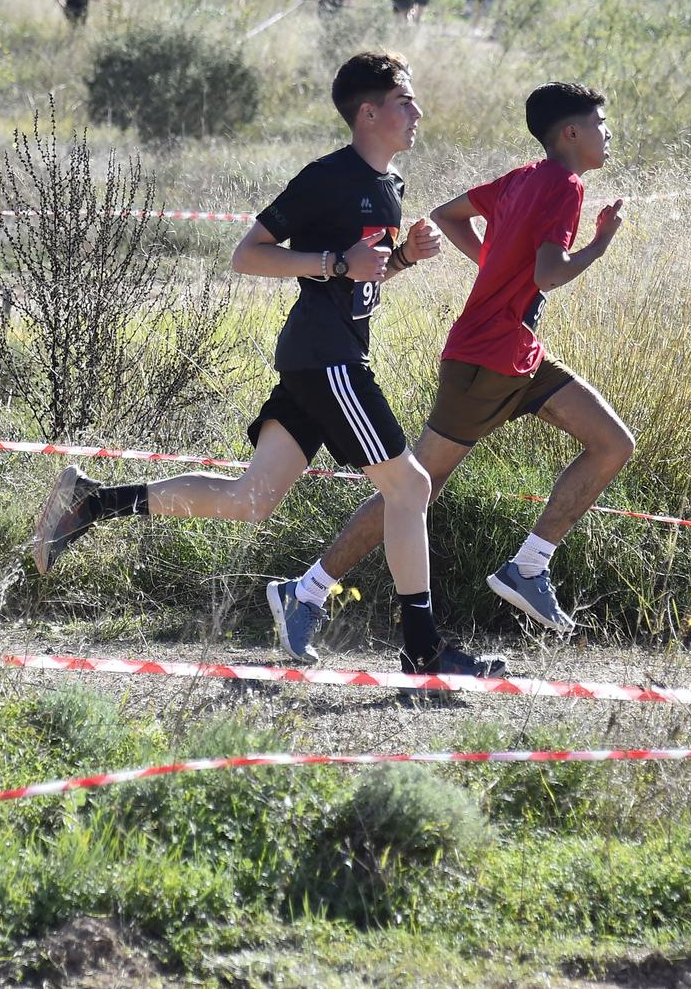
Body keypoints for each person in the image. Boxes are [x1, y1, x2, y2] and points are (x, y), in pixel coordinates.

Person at [26, 52, 504, 679]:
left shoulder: (390, 186)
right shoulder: (328, 177)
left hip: (322, 359)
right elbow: (247, 255)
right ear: (368, 112)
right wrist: (334, 261)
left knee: (251, 499)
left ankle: (90, 502)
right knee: (411, 487)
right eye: (404, 101)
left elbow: (366, 271)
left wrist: (405, 256)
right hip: (326, 359)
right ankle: (423, 648)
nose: (418, 112)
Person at [265, 81, 632, 657]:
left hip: (517, 354)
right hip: (485, 361)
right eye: (601, 123)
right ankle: (306, 592)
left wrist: (497, 267)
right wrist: (601, 243)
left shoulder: (522, 177)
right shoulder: (564, 186)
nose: (608, 134)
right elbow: (549, 276)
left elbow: (447, 215)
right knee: (410, 490)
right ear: (571, 132)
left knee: (612, 443)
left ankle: (528, 567)